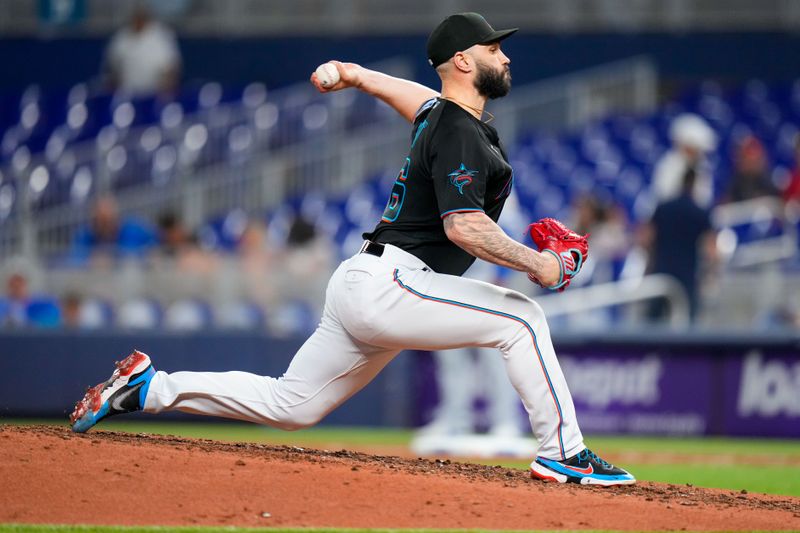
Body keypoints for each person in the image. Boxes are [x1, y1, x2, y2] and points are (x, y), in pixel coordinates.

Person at [69, 13, 634, 486]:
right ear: (463, 61)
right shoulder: (458, 126)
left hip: (368, 282)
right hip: (395, 283)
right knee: (523, 317)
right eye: (492, 47)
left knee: (292, 405)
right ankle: (564, 453)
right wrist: (543, 265)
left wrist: (357, 74)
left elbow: (414, 97)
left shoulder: (445, 117)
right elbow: (463, 227)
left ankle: (149, 386)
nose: (504, 56)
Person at [644, 168, 717, 320]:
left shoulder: (663, 208)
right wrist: (710, 273)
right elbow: (711, 250)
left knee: (651, 324)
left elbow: (647, 240)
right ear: (695, 184)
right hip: (687, 275)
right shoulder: (700, 212)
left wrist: (649, 264)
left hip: (661, 270)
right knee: (688, 326)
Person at [103, 5, 181, 97]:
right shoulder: (121, 37)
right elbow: (112, 70)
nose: (138, 20)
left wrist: (165, 93)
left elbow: (171, 70)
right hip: (127, 94)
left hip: (153, 96)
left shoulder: (161, 37)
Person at [651, 113, 717, 208]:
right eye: (693, 149)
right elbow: (663, 194)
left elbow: (705, 198)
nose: (697, 154)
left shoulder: (702, 166)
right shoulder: (669, 164)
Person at [723, 135, 780, 203]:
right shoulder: (736, 182)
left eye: (756, 159)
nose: (751, 163)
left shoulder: (768, 181)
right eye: (746, 158)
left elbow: (776, 204)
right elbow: (725, 206)